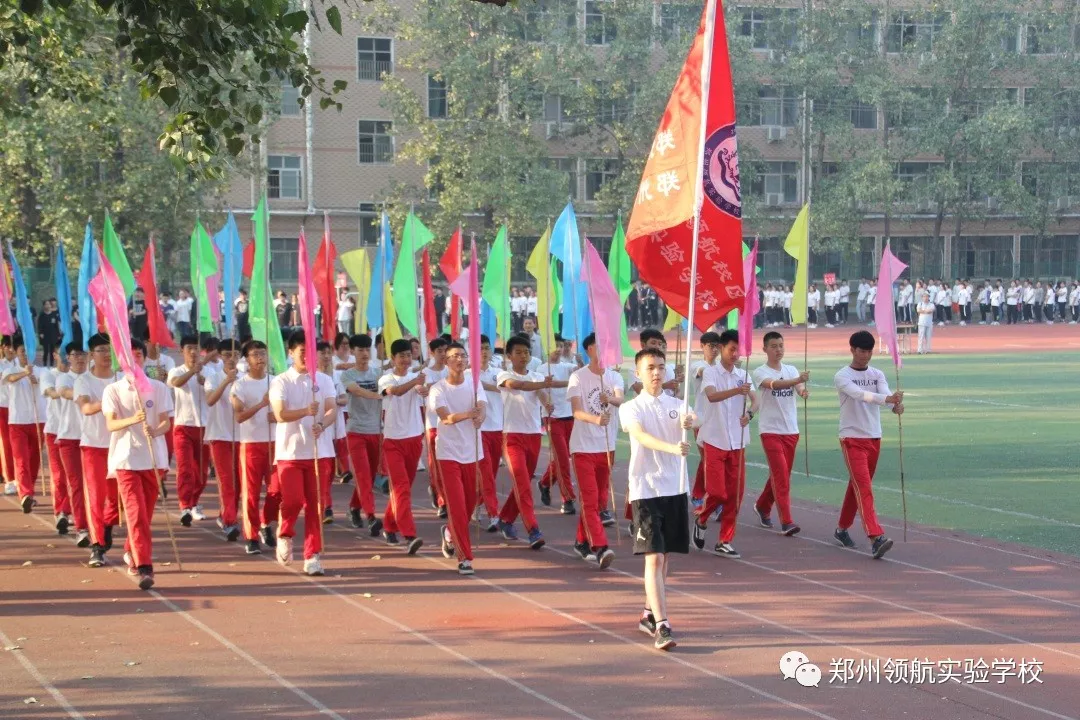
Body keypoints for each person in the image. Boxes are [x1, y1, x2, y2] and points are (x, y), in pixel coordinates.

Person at [619, 346, 693, 652]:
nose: (656, 373)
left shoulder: (678, 404)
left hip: (675, 488)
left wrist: (689, 423)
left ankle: (649, 614)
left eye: (661, 367)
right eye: (650, 367)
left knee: (665, 558)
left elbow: (691, 420)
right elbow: (641, 437)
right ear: (638, 373)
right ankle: (662, 625)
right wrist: (672, 448)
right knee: (655, 557)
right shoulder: (631, 408)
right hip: (646, 490)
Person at [102, 339, 172, 590]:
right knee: (136, 513)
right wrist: (132, 419)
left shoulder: (157, 388)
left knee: (145, 515)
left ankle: (132, 550)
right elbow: (111, 424)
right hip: (126, 459)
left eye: (139, 356)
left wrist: (155, 430)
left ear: (144, 358)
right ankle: (145, 566)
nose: (135, 361)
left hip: (153, 460)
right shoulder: (113, 390)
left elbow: (166, 422)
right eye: (129, 358)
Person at [267, 331, 335, 575]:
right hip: (290, 452)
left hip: (320, 451)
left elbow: (332, 410)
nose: (307, 356)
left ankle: (312, 555)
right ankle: (285, 532)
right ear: (291, 353)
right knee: (294, 500)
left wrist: (322, 424)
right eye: (301, 351)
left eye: (311, 352)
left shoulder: (324, 380)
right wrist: (306, 412)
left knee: (316, 506)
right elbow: (280, 414)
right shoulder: (281, 381)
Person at [833, 330, 903, 560]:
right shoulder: (842, 375)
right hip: (852, 438)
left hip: (874, 437)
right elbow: (859, 395)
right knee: (864, 487)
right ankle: (875, 537)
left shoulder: (877, 374)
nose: (865, 355)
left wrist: (895, 405)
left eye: (869, 351)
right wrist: (888, 400)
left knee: (858, 485)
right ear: (852, 350)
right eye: (861, 351)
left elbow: (884, 396)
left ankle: (841, 529)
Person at [693, 329, 758, 559]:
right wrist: (736, 391)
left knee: (736, 494)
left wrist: (749, 414)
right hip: (714, 440)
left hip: (738, 442)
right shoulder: (711, 373)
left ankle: (725, 540)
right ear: (722, 348)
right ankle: (702, 519)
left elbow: (755, 399)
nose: (736, 354)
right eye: (732, 349)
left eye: (739, 350)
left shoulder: (744, 374)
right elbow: (711, 396)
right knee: (718, 492)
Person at [428, 342, 486, 575]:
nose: (460, 360)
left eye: (463, 355)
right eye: (454, 356)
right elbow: (446, 418)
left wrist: (480, 415)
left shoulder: (474, 383)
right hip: (448, 453)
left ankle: (449, 532)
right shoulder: (438, 390)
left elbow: (482, 405)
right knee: (459, 508)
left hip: (472, 451)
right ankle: (464, 558)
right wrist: (468, 415)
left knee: (473, 500)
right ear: (445, 361)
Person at [566, 333, 623, 568]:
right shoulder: (577, 377)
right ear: (590, 349)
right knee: (589, 500)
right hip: (583, 447)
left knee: (599, 500)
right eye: (600, 347)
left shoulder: (615, 377)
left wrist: (608, 397)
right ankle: (600, 546)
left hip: (606, 447)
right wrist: (596, 419)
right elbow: (577, 412)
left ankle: (581, 540)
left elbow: (620, 399)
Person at [495, 336, 554, 549]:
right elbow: (518, 385)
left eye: (526, 352)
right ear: (509, 356)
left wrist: (548, 404)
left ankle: (506, 518)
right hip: (511, 437)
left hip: (533, 436)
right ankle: (533, 529)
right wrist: (541, 384)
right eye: (518, 352)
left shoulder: (537, 376)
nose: (523, 356)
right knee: (522, 483)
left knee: (524, 483)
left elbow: (540, 394)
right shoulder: (504, 375)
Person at [751, 332, 809, 536]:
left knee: (781, 474)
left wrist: (803, 391)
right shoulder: (759, 372)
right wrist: (796, 381)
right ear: (765, 349)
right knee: (782, 476)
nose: (778, 350)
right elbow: (773, 385)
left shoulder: (791, 369)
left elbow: (799, 388)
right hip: (770, 431)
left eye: (781, 346)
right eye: (774, 346)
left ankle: (762, 505)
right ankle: (787, 521)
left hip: (791, 430)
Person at [230, 340, 281, 555]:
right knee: (250, 494)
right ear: (247, 359)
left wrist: (278, 415)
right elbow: (240, 416)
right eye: (255, 354)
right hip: (250, 445)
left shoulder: (277, 381)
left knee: (278, 490)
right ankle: (251, 537)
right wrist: (261, 404)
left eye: (262, 353)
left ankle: (265, 521)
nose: (260, 358)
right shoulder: (240, 385)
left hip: (275, 444)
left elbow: (286, 409)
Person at [378, 338, 428, 554]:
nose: (406, 359)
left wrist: (425, 389)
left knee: (403, 489)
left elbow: (424, 397)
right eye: (402, 356)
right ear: (393, 359)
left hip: (414, 438)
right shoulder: (385, 378)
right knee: (401, 488)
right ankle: (409, 534)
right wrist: (416, 382)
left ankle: (389, 525)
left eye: (409, 355)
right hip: (393, 440)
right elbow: (394, 391)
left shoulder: (417, 379)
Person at [74, 333, 120, 567]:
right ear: (91, 354)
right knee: (95, 497)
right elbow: (86, 408)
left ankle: (107, 526)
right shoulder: (83, 381)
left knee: (116, 499)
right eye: (100, 350)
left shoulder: (122, 377)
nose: (105, 355)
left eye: (108, 350)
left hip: (119, 446)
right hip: (93, 445)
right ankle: (96, 545)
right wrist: (109, 400)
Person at [341, 334, 384, 534]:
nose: (365, 354)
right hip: (356, 431)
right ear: (352, 352)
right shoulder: (348, 375)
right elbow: (356, 391)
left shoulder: (378, 373)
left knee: (370, 475)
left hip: (376, 431)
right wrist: (377, 394)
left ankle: (354, 507)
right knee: (363, 476)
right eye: (360, 350)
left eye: (367, 350)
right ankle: (372, 516)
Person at [4, 336, 48, 513]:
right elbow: (11, 379)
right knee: (21, 459)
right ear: (16, 353)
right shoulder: (10, 370)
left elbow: (45, 386)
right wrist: (25, 373)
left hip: (38, 420)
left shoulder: (43, 371)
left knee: (34, 460)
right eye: (22, 352)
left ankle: (29, 490)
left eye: (27, 352)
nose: (25, 356)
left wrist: (35, 378)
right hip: (17, 421)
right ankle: (26, 495)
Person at [204, 340, 241, 541]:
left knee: (239, 483)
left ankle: (225, 514)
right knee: (227, 481)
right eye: (227, 354)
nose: (231, 358)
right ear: (220, 356)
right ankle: (229, 522)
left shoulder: (246, 378)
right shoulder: (213, 377)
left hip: (242, 437)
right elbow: (210, 400)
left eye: (235, 354)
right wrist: (226, 381)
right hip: (219, 436)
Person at [55, 342, 90, 547]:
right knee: (77, 484)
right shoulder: (64, 378)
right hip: (70, 437)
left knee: (95, 485)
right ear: (68, 358)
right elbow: (65, 392)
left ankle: (100, 521)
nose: (79, 358)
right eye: (75, 355)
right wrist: (84, 397)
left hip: (93, 439)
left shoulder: (93, 378)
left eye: (82, 354)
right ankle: (82, 528)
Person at [536, 337, 575, 514]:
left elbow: (581, 373)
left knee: (564, 457)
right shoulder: (541, 369)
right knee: (563, 460)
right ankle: (567, 499)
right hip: (552, 418)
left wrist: (579, 361)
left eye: (560, 346)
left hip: (570, 416)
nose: (558, 350)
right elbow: (544, 386)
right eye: (555, 346)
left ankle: (544, 482)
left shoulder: (568, 366)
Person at [475, 335, 503, 530]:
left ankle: (475, 503)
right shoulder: (468, 374)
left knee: (491, 473)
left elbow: (507, 390)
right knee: (486, 474)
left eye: (487, 348)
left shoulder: (500, 373)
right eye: (480, 348)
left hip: (498, 428)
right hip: (479, 429)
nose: (484, 352)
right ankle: (494, 514)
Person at [40, 350, 70, 533]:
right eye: (62, 353)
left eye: (71, 353)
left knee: (75, 477)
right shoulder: (48, 374)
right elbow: (51, 393)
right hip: (54, 431)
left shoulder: (81, 376)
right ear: (55, 355)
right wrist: (68, 391)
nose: (66, 357)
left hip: (76, 433)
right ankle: (61, 512)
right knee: (59, 474)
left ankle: (75, 511)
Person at [0, 336, 16, 495]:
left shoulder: (21, 365)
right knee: (5, 444)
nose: (10, 350)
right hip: (2, 407)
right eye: (7, 347)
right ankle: (9, 478)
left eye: (13, 347)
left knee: (15, 446)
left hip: (18, 409)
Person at [38, 299, 61, 366]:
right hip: (45, 335)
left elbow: (56, 325)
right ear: (44, 306)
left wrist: (58, 334)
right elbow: (39, 325)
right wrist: (41, 333)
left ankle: (51, 364)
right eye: (46, 304)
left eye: (49, 304)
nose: (48, 306)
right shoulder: (42, 315)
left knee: (52, 351)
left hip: (53, 335)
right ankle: (45, 364)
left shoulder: (53, 315)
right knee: (45, 351)